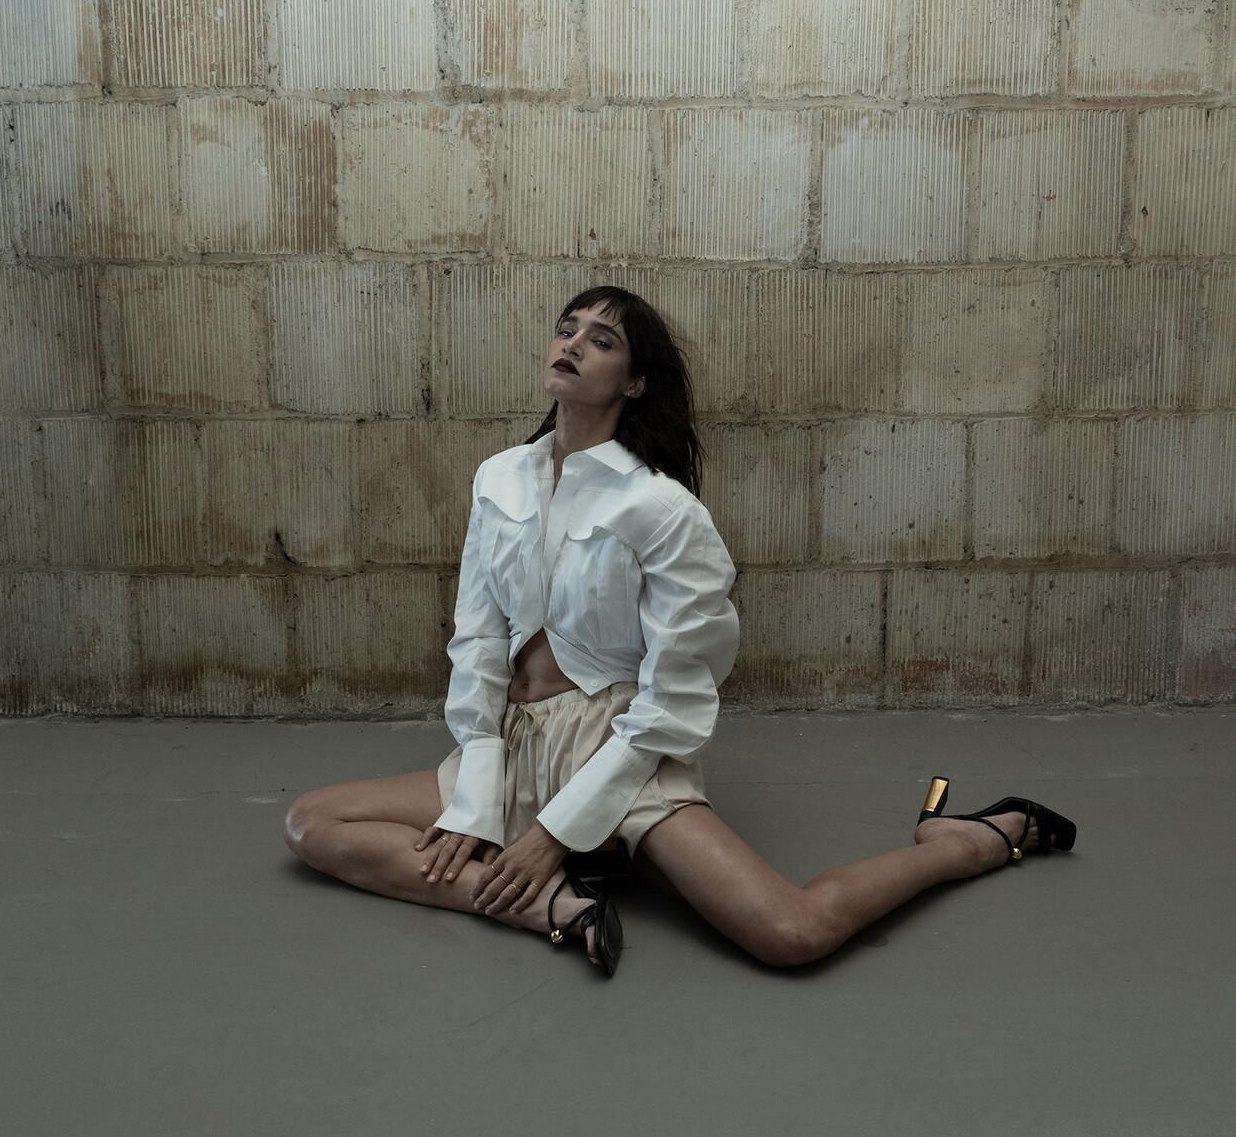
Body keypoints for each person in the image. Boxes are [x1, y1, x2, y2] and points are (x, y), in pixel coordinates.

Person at [284, 286, 1075, 976]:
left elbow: (675, 696)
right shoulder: (500, 478)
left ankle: (963, 841)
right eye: (567, 329)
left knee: (792, 932)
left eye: (602, 340)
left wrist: (556, 831)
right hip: (514, 745)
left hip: (618, 750)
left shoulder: (664, 510)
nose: (574, 344)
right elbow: (478, 640)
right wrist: (474, 796)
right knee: (312, 822)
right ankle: (547, 907)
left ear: (633, 382)